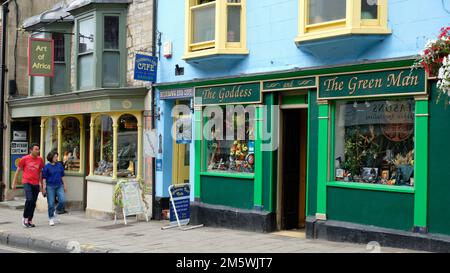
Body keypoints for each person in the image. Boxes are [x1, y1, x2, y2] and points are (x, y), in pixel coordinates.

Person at [12, 143, 45, 228]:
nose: (38, 151)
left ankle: (30, 220)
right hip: (27, 182)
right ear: (31, 150)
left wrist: (41, 185)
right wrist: (14, 183)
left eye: (38, 149)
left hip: (36, 183)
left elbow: (40, 172)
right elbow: (18, 171)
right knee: (29, 199)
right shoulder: (24, 159)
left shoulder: (40, 160)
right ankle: (25, 218)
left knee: (33, 202)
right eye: (36, 149)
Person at [42, 150, 67, 226]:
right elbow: (44, 178)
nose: (56, 158)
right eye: (55, 157)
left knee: (62, 201)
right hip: (50, 187)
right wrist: (44, 187)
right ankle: (51, 218)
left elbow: (62, 175)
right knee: (51, 203)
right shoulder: (46, 167)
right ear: (51, 157)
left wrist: (65, 185)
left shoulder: (59, 165)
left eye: (57, 156)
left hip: (59, 185)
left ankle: (55, 212)